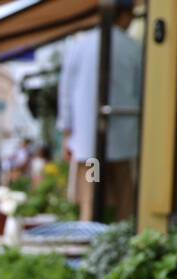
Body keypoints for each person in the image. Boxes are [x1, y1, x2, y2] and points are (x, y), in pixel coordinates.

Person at [57, 1, 141, 220]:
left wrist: (67, 133)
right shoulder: (134, 48)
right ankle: (125, 245)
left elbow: (66, 93)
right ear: (122, 15)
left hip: (87, 140)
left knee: (90, 198)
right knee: (124, 198)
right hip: (124, 137)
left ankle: (88, 243)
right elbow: (142, 92)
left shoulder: (80, 46)